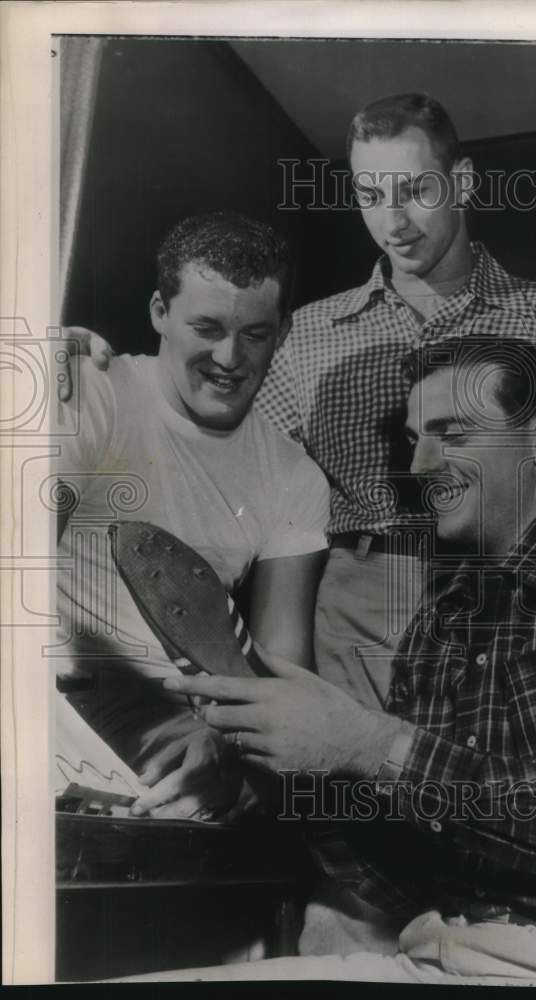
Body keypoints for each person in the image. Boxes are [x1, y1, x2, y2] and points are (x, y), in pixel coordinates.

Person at [152, 338, 536, 988]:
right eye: (416, 438)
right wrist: (281, 760)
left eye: (452, 433)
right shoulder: (447, 618)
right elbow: (400, 876)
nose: (420, 463)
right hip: (455, 955)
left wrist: (370, 742)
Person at [58, 92, 536, 712]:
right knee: (346, 796)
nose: (395, 222)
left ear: (462, 182)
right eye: (370, 196)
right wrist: (66, 355)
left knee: (489, 793)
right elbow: (219, 453)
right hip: (355, 599)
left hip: (509, 594)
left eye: (415, 189)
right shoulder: (304, 333)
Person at [55, 212, 331, 818]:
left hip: (185, 723)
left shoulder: (296, 477)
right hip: (59, 695)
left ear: (283, 330)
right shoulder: (94, 388)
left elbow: (282, 679)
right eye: (205, 327)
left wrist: (232, 753)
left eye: (255, 334)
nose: (229, 357)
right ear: (159, 311)